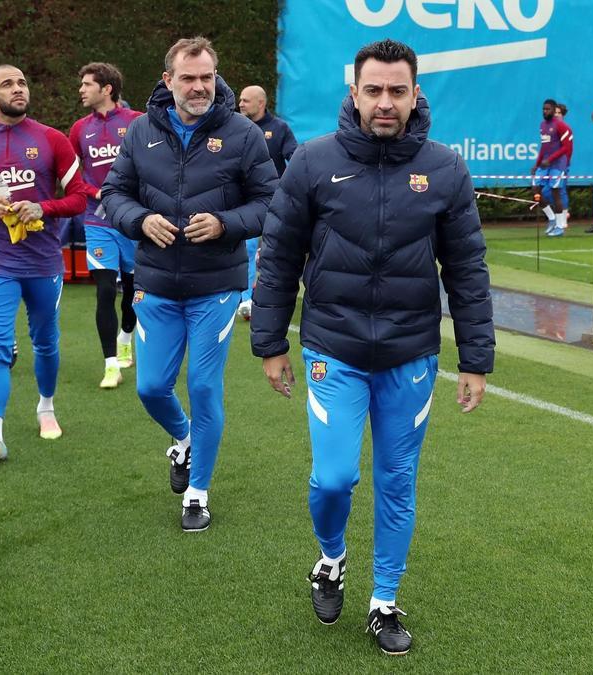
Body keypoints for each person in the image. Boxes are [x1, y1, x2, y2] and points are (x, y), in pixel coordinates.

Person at [251, 38, 494, 655]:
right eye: (374, 90)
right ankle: (330, 559)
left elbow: (466, 268)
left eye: (397, 91)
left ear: (416, 95)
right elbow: (278, 257)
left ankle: (384, 600)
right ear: (353, 93)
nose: (385, 103)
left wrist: (475, 359)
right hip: (334, 349)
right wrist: (271, 342)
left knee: (397, 480)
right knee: (334, 479)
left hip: (411, 355)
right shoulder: (311, 162)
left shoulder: (445, 168)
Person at [101, 37, 277, 532]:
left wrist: (225, 223)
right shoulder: (140, 132)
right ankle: (184, 439)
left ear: (215, 77)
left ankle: (197, 493)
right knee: (152, 387)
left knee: (202, 386)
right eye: (188, 78)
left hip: (216, 285)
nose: (199, 87)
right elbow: (113, 193)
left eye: (207, 77)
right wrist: (139, 220)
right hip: (154, 282)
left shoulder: (242, 133)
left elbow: (271, 202)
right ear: (168, 81)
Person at [0, 64, 94, 465]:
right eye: (7, 84)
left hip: (42, 261)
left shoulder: (52, 139)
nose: (18, 89)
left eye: (22, 82)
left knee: (45, 341)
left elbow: (80, 197)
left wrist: (42, 205)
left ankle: (46, 407)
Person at [69, 62, 144, 389]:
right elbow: (71, 176)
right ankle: (110, 363)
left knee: (133, 291)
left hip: (132, 219)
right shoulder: (78, 129)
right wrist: (95, 192)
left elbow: (154, 166)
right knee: (103, 291)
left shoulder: (137, 122)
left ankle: (126, 335)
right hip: (96, 220)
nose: (82, 90)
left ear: (107, 88)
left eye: (87, 84)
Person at [236, 85, 298, 319]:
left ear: (261, 103)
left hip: (276, 201)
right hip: (246, 201)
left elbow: (294, 157)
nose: (240, 104)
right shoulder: (236, 127)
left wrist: (292, 187)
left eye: (245, 100)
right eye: (240, 100)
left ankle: (278, 296)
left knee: (279, 250)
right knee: (249, 248)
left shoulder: (279, 128)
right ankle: (246, 299)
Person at [530, 98, 573, 237]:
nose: (545, 111)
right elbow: (544, 146)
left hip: (558, 164)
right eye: (543, 109)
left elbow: (566, 147)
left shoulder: (561, 126)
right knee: (535, 190)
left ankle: (560, 227)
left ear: (554, 110)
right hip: (544, 164)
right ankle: (552, 218)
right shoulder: (542, 125)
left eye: (548, 109)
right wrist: (537, 165)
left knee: (556, 193)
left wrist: (551, 159)